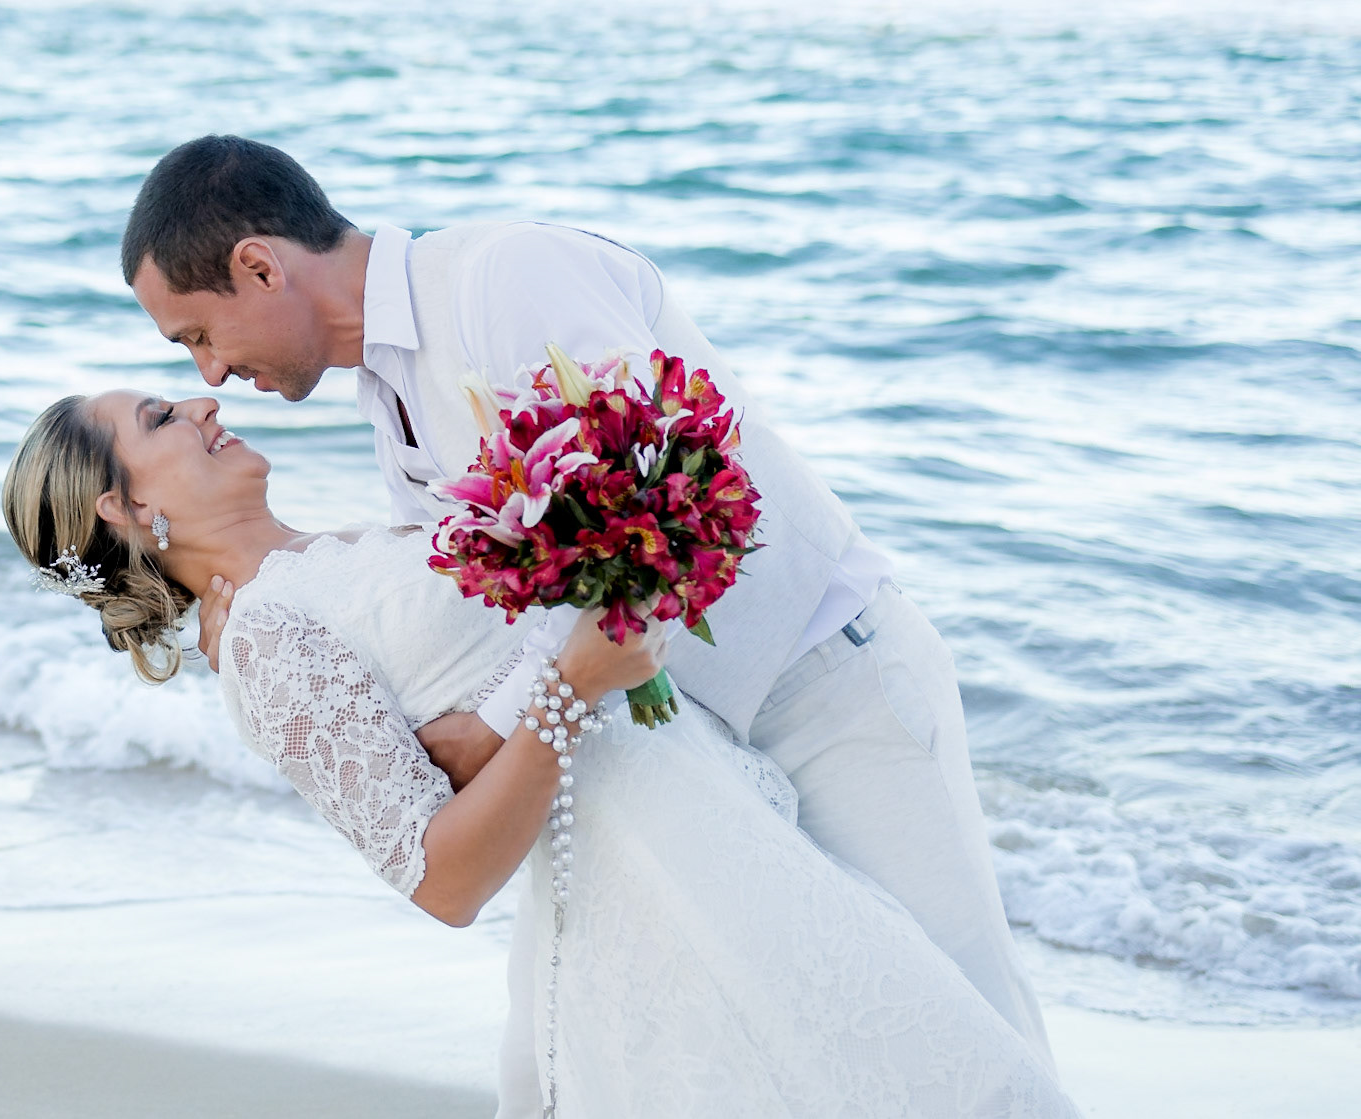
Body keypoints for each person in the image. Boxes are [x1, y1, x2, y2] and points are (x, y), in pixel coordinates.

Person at [117, 134, 1057, 1100]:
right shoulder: (388, 405)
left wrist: (495, 723)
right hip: (699, 753)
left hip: (825, 687)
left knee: (962, 1036)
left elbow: (670, 499)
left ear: (260, 265)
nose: (213, 374)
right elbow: (497, 608)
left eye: (197, 334)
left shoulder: (503, 281)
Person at [1, 390, 1077, 1117]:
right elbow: (443, 876)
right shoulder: (266, 641)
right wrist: (571, 683)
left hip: (707, 822)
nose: (201, 404)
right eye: (160, 417)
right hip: (657, 873)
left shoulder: (313, 560)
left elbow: (498, 678)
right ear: (127, 507)